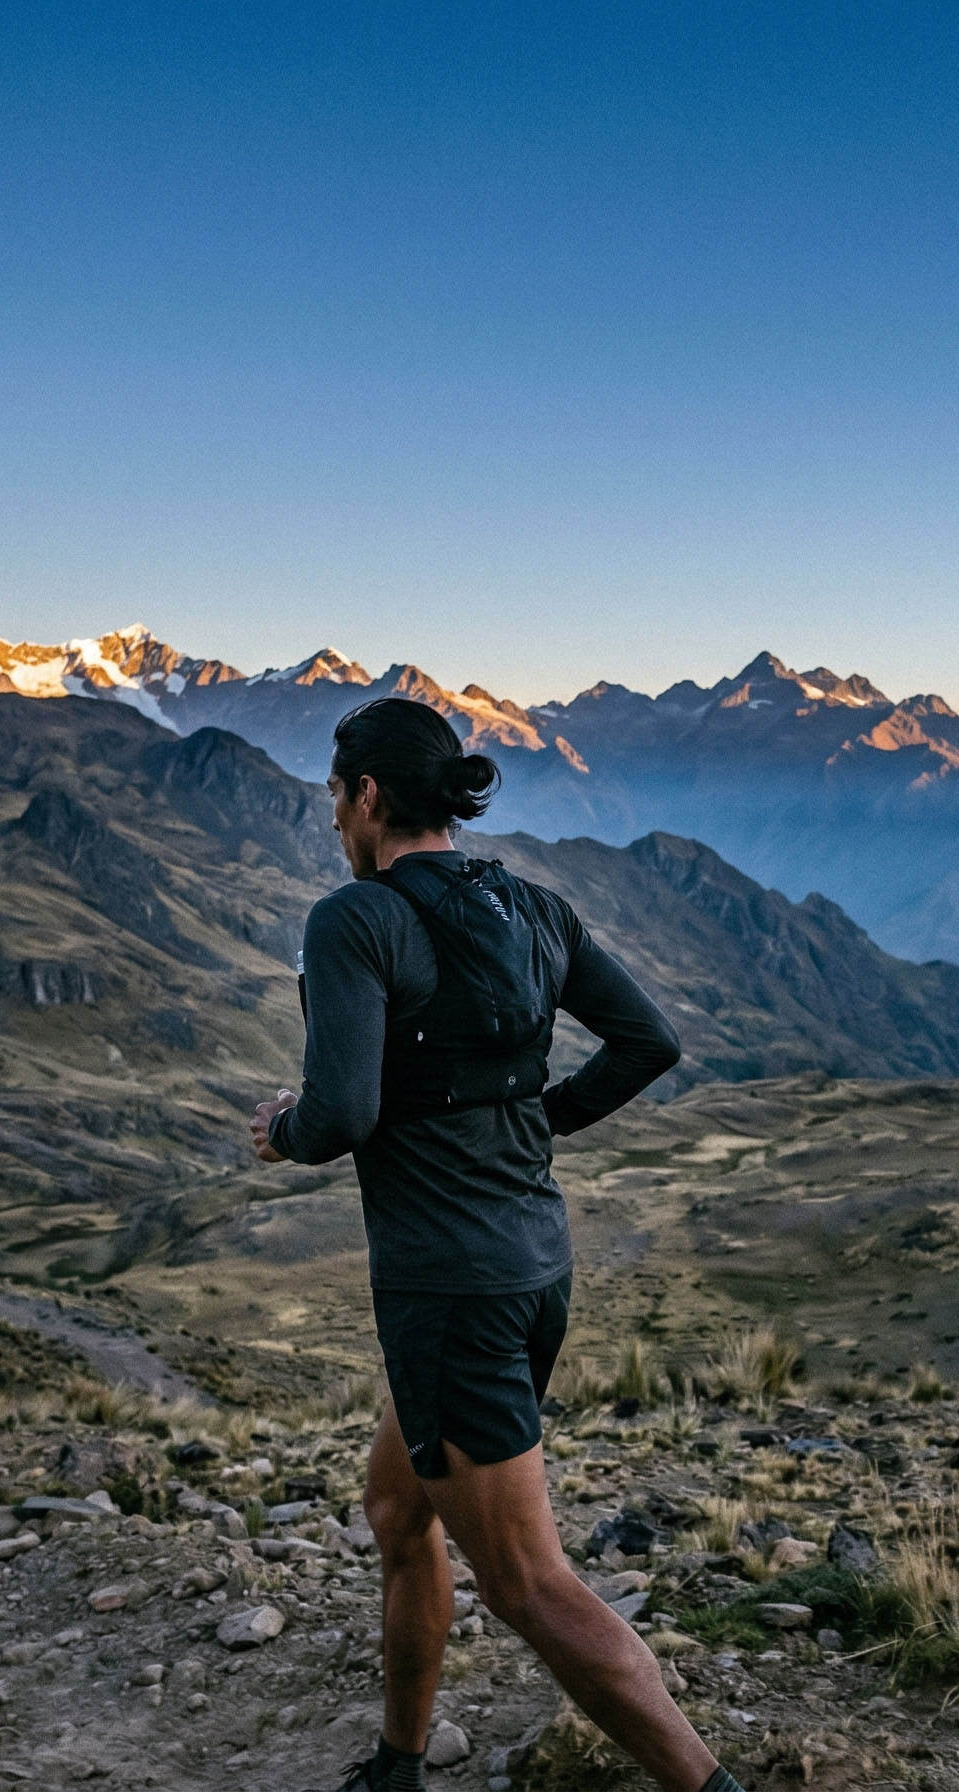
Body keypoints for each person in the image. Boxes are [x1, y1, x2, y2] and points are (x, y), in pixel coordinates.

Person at [248, 697, 743, 1792]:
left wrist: (282, 1128)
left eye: (336, 797)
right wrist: (539, 1120)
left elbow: (340, 1115)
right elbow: (649, 1041)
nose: (334, 819)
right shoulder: (530, 906)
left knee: (527, 1584)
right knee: (395, 1505)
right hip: (532, 1269)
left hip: (450, 1290)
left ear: (368, 796)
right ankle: (398, 1764)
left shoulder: (355, 919)